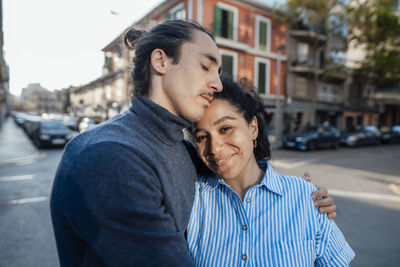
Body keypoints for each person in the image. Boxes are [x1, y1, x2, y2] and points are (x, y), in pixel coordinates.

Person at [50, 19, 336, 266]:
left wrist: (304, 199)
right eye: (205, 66)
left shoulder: (181, 149)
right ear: (161, 61)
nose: (218, 84)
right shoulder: (111, 156)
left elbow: (241, 171)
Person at [187, 76, 355, 266]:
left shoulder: (306, 198)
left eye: (225, 129)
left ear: (252, 128)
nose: (214, 148)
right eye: (201, 137)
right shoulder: (191, 200)